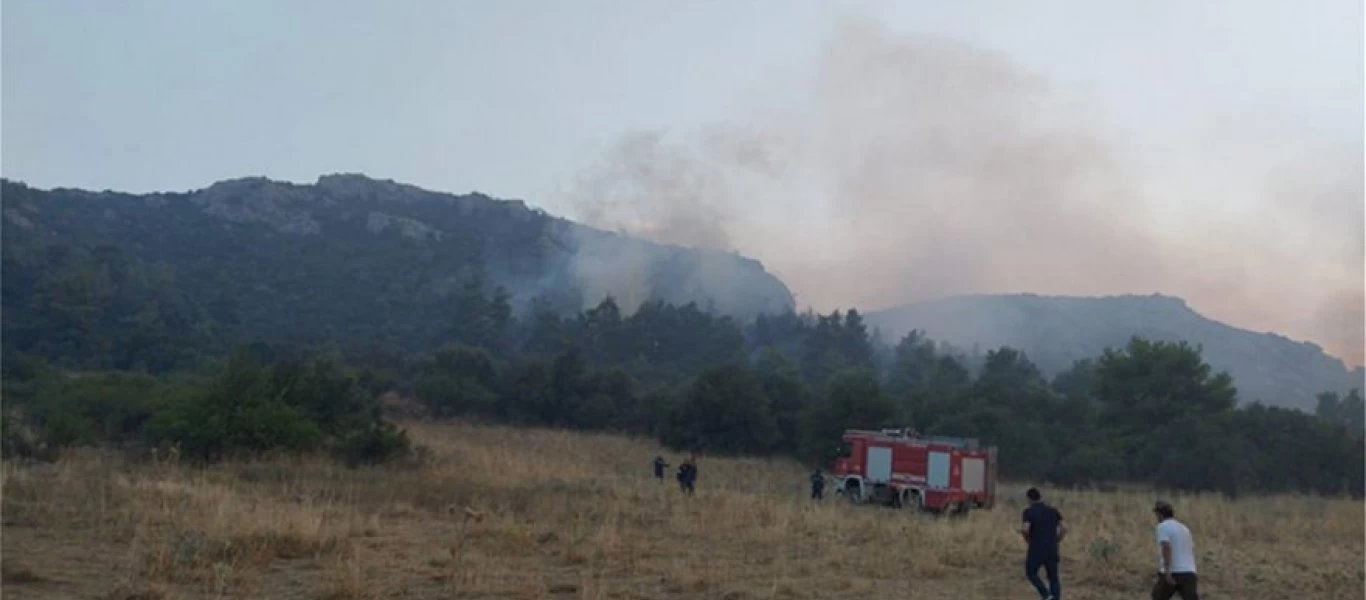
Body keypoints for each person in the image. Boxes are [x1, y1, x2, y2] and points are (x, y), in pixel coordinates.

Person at [1020, 487, 1066, 600]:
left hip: (1036, 547)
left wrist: (1028, 539)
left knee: (1031, 573)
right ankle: (1055, 598)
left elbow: (1025, 529)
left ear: (1029, 499)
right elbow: (1064, 528)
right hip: (1052, 547)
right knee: (1053, 577)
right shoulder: (1053, 511)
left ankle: (1046, 595)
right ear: (1040, 497)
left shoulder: (1028, 512)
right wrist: (1057, 539)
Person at [1151, 500, 1200, 600]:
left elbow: (1166, 547)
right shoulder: (1184, 528)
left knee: (1158, 597)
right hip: (1189, 572)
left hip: (1174, 571)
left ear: (1160, 514)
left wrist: (1167, 571)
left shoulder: (1162, 526)